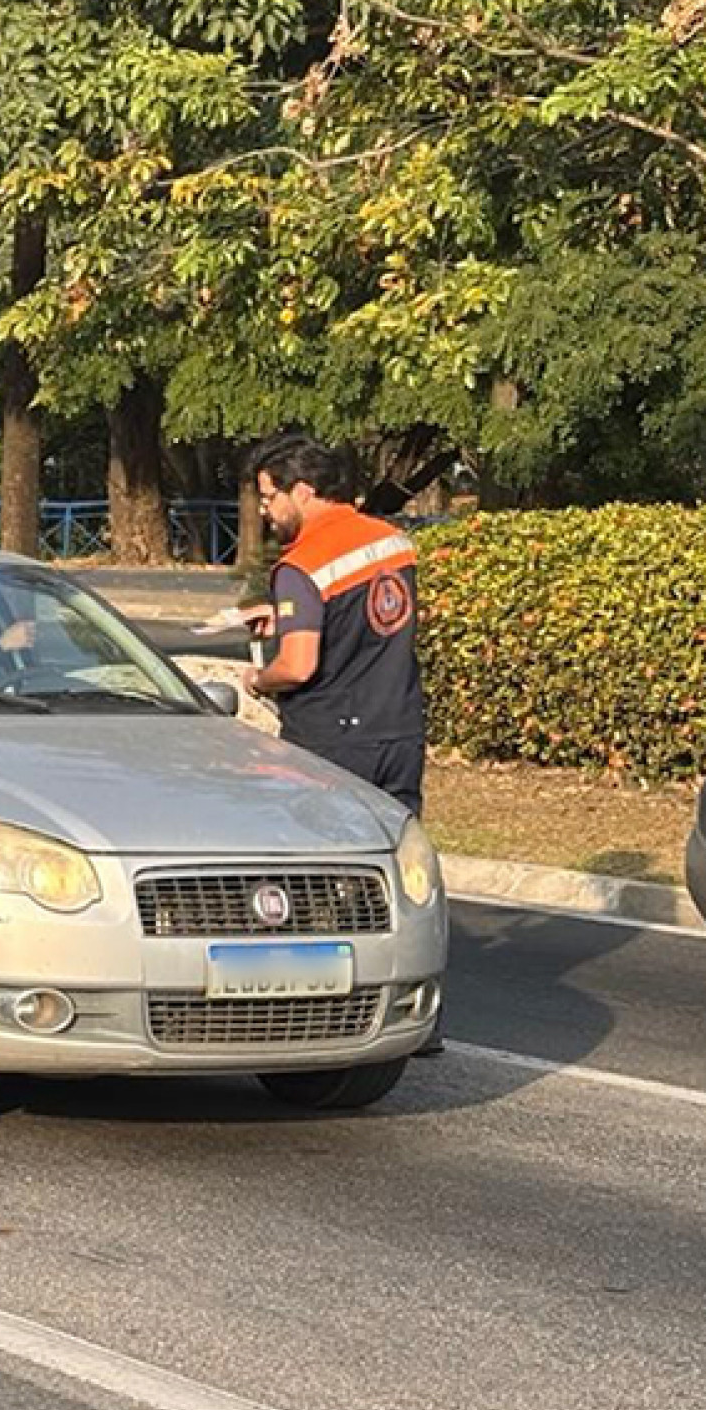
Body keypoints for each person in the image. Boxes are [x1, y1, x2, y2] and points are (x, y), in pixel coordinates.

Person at [240, 433, 440, 1053]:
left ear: (302, 490)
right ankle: (416, 1020)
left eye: (270, 497)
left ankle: (315, 1013)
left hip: (330, 741)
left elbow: (298, 667)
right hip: (398, 726)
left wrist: (257, 674)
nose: (267, 511)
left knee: (318, 883)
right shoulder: (391, 542)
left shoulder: (301, 566)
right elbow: (365, 623)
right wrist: (292, 619)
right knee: (399, 877)